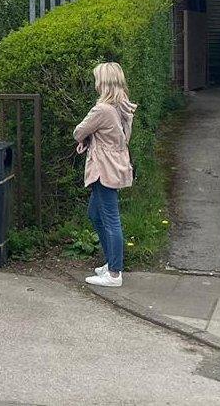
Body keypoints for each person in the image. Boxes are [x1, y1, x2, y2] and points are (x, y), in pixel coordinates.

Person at [74, 62, 136, 288]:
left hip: (103, 168)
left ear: (104, 83)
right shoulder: (123, 106)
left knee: (110, 219)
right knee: (95, 214)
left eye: (97, 79)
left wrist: (87, 138)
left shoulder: (102, 109)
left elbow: (78, 131)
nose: (95, 83)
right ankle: (112, 261)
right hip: (116, 165)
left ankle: (114, 272)